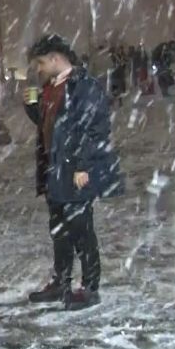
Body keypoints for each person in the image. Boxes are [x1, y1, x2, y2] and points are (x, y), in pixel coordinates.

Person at [24, 34, 124, 311]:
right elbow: (51, 125)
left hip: (73, 171)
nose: (39, 69)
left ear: (56, 58)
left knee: (81, 230)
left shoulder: (83, 86)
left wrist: (83, 165)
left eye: (41, 63)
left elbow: (95, 129)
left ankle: (90, 287)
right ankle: (61, 281)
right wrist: (32, 107)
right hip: (54, 171)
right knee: (59, 230)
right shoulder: (51, 87)